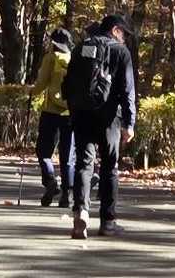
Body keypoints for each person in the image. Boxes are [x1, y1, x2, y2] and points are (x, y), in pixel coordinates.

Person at [62, 14, 137, 239]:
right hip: (109, 117)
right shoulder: (121, 52)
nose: (124, 39)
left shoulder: (81, 48)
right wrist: (129, 123)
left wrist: (73, 110)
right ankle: (108, 222)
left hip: (81, 114)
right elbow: (128, 90)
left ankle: (81, 212)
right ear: (115, 30)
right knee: (109, 167)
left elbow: (68, 83)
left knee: (84, 163)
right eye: (123, 34)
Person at [31, 27, 75, 207]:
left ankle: (50, 181)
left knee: (44, 151)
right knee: (68, 155)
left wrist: (31, 92)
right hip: (70, 112)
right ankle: (67, 194)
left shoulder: (50, 58)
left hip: (51, 112)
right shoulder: (73, 58)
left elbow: (41, 83)